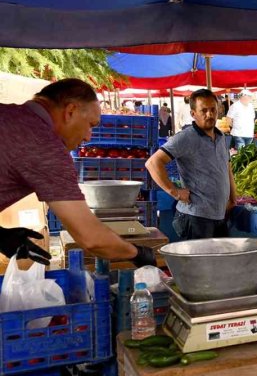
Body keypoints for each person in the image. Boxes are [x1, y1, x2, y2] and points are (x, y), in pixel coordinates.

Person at [0, 78, 155, 266]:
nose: (88, 137)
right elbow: (92, 239)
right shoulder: (45, 146)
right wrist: (138, 253)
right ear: (70, 111)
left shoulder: (7, 113)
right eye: (91, 124)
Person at [146, 89, 238, 240]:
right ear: (193, 114)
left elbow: (226, 167)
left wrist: (233, 198)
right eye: (203, 110)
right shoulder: (185, 137)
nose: (209, 115)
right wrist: (174, 192)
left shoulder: (221, 136)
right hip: (197, 218)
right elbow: (152, 163)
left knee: (220, 262)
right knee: (200, 263)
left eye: (213, 110)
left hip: (219, 215)